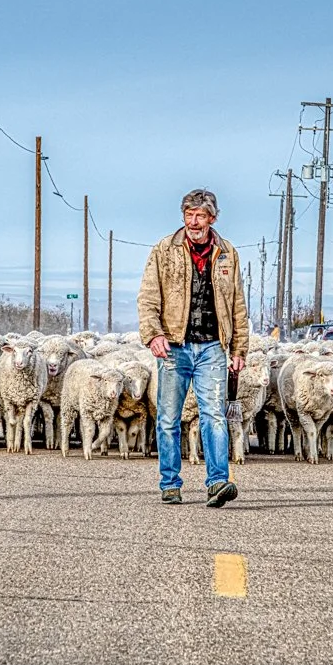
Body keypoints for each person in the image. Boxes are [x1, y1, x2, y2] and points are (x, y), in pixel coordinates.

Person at [138, 188, 248, 508]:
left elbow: (237, 303)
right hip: (174, 345)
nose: (194, 221)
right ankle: (170, 483)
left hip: (212, 346)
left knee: (213, 415)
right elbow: (148, 297)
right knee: (169, 418)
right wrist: (153, 334)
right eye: (189, 215)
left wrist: (239, 348)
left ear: (212, 218)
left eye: (200, 215)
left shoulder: (227, 253)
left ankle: (217, 482)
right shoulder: (164, 249)